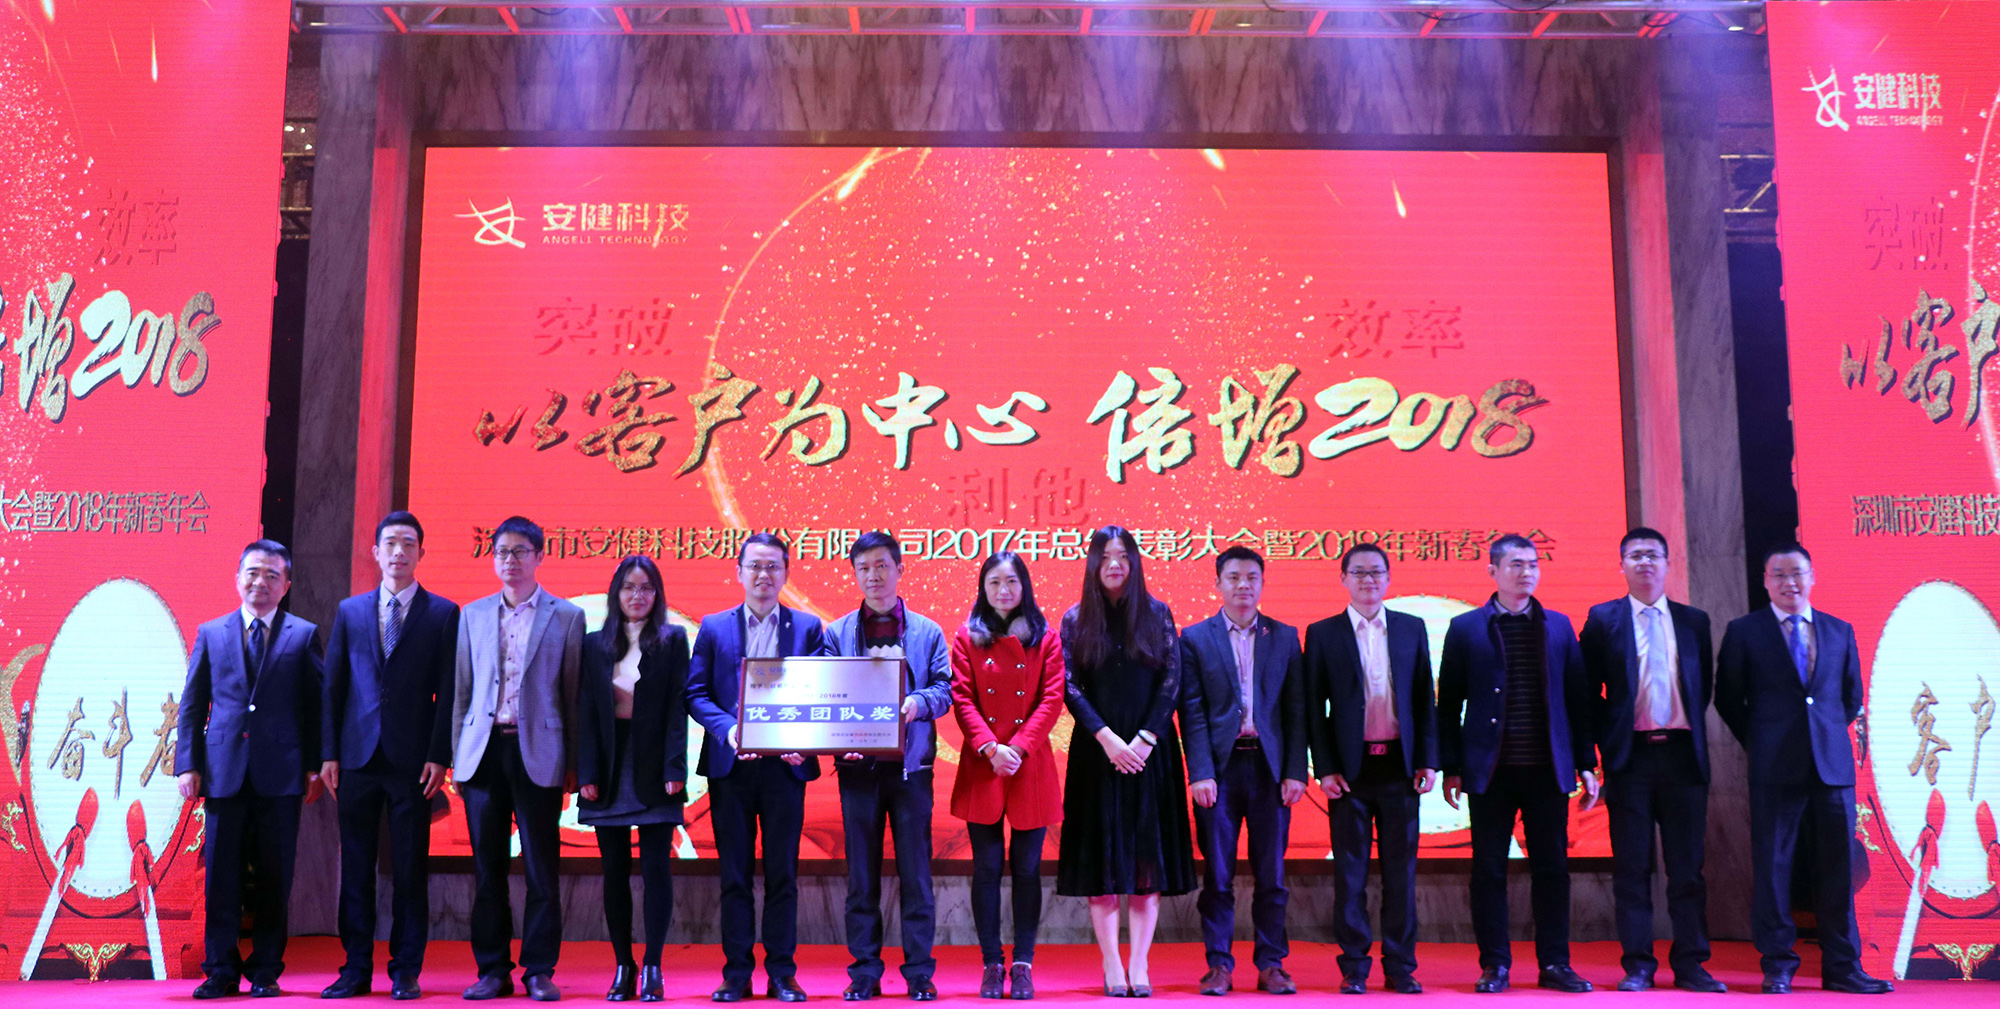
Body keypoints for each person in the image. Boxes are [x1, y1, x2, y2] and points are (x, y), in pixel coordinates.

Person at [1717, 544, 1891, 995]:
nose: (1789, 583)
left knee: (1839, 868)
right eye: (1778, 574)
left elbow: (1850, 698)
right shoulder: (1744, 632)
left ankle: (1843, 966)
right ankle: (1778, 965)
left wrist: (1822, 737)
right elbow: (1728, 699)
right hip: (1774, 769)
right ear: (1765, 581)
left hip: (1832, 769)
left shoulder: (1839, 630)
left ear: (1812, 577)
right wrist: (1761, 741)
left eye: (1797, 573)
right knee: (1773, 868)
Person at [1438, 534, 1599, 994]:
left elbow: (1578, 700)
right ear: (1492, 571)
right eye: (1515, 564)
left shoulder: (1559, 626)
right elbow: (1448, 705)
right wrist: (1452, 766)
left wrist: (1586, 762)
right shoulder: (1466, 628)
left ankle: (1555, 963)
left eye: (1532, 564)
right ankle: (1495, 965)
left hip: (1547, 768)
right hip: (1490, 771)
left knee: (1552, 869)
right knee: (1488, 870)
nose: (1526, 572)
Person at [176, 540, 325, 1000]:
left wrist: (314, 766)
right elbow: (193, 703)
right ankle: (220, 969)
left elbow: (315, 708)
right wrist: (187, 764)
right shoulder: (211, 632)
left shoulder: (303, 634)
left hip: (281, 773)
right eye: (253, 573)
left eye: (272, 575)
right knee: (222, 877)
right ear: (238, 578)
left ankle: (265, 970)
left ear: (287, 585)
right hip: (223, 772)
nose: (261, 582)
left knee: (275, 876)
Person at [319, 512, 459, 1001]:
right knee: (356, 869)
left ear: (421, 552)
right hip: (356, 758)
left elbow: (449, 692)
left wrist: (440, 754)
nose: (399, 552)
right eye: (391, 543)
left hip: (413, 761)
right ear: (376, 552)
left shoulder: (443, 613)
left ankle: (405, 970)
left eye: (409, 544)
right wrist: (329, 752)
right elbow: (334, 686)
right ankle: (355, 968)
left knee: (409, 869)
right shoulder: (351, 611)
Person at [1578, 528, 1725, 993]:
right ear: (1621, 564)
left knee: (1687, 870)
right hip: (1631, 759)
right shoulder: (1603, 619)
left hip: (1683, 757)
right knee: (1631, 868)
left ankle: (1691, 964)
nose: (1645, 563)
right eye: (1635, 555)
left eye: (1653, 555)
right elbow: (1586, 692)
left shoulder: (1694, 621)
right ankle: (1638, 964)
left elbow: (1702, 688)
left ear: (1667, 563)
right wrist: (1607, 738)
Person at [449, 516, 586, 1002]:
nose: (510, 560)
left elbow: (571, 695)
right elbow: (461, 692)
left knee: (540, 868)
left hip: (540, 753)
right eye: (502, 552)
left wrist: (573, 763)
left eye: (520, 551)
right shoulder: (472, 614)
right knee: (487, 868)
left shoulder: (566, 616)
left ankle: (539, 970)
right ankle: (492, 969)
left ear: (540, 556)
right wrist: (457, 759)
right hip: (483, 753)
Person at [1056, 525, 1197, 999]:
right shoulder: (1076, 620)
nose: (1114, 564)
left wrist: (1145, 738)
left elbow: (1172, 679)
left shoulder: (1157, 614)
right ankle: (1111, 964)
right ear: (1093, 564)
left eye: (1123, 556)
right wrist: (1108, 740)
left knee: (1144, 864)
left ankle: (1139, 964)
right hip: (1097, 756)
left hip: (1149, 755)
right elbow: (1068, 686)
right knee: (1101, 866)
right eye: (1105, 556)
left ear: (1135, 563)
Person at [687, 533, 824, 1004]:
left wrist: (802, 739)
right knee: (735, 876)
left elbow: (822, 690)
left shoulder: (807, 628)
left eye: (773, 567)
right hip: (732, 769)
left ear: (786, 573)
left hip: (785, 768)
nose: (763, 575)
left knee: (783, 875)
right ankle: (736, 974)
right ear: (739, 572)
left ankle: (783, 974)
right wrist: (728, 730)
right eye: (755, 566)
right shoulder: (713, 627)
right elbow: (696, 693)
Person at [822, 531, 953, 1002]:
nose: (873, 576)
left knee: (916, 876)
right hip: (858, 771)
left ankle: (919, 973)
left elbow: (945, 689)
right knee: (861, 878)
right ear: (854, 574)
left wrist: (917, 703)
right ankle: (864, 972)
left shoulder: (928, 631)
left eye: (881, 566)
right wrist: (842, 740)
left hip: (911, 771)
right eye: (863, 568)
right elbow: (827, 694)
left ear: (900, 569)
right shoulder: (836, 633)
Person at [1305, 543, 1437, 996]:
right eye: (1359, 572)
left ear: (1388, 578)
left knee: (1401, 875)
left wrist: (1428, 760)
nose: (1368, 580)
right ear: (1343, 578)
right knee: (1351, 874)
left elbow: (1424, 698)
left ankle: (1401, 966)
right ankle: (1355, 968)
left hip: (1400, 768)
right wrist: (1324, 768)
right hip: (1350, 774)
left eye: (1376, 572)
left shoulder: (1410, 628)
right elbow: (1314, 709)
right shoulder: (1323, 633)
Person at [1179, 546, 1308, 997]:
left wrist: (1295, 770)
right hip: (1220, 769)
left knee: (1271, 875)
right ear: (1218, 584)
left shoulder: (1285, 636)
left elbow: (1296, 710)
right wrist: (1200, 771)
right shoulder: (1195, 638)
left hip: (1270, 771)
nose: (1243, 585)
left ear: (1262, 583)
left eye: (1252, 577)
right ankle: (1219, 964)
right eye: (1233, 577)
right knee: (1218, 874)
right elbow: (1191, 711)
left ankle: (1271, 963)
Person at [949, 551, 1065, 1001]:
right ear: (983, 588)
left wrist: (1016, 748)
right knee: (986, 868)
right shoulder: (967, 636)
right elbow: (962, 698)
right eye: (994, 582)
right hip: (984, 765)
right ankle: (992, 963)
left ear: (1025, 586)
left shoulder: (1045, 637)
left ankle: (1024, 964)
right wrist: (990, 747)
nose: (1003, 590)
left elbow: (1051, 698)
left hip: (1028, 764)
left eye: (1012, 581)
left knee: (1028, 870)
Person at [578, 555, 690, 1002]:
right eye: (628, 587)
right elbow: (586, 710)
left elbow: (678, 708)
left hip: (656, 768)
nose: (636, 595)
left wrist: (675, 768)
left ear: (656, 594)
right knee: (614, 872)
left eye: (645, 587)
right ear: (615, 593)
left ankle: (653, 966)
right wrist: (586, 772)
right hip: (608, 767)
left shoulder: (672, 640)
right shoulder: (593, 644)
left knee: (656, 869)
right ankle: (623, 965)